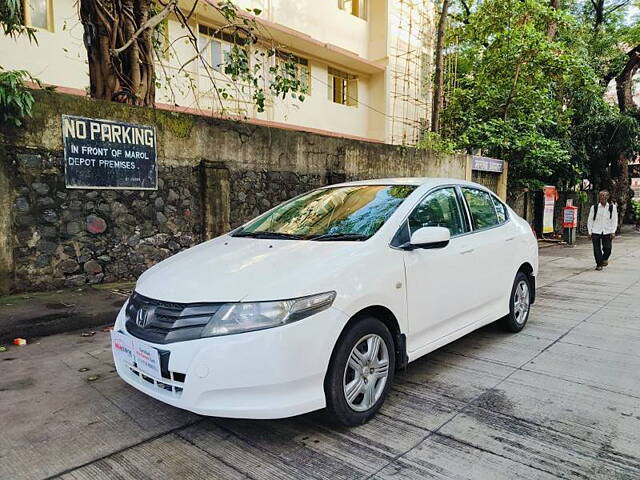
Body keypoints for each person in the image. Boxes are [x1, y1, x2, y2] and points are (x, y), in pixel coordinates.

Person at [587, 190, 618, 271]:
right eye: (601, 196)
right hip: (595, 230)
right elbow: (590, 220)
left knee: (608, 248)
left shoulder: (612, 207)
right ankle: (599, 264)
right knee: (596, 249)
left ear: (608, 197)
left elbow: (614, 220)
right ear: (599, 197)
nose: (603, 197)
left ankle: (604, 259)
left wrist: (613, 231)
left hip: (607, 231)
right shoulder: (594, 207)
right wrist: (590, 232)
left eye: (604, 195)